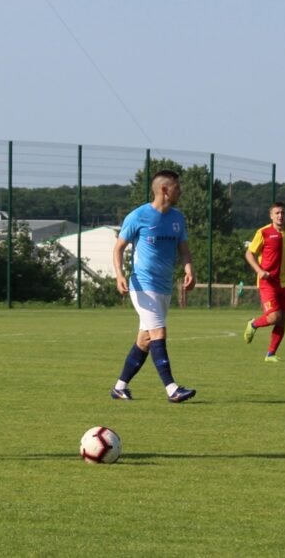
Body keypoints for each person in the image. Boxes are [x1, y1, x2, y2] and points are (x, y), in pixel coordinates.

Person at [109, 170, 197, 403]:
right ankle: (172, 389)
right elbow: (118, 248)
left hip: (164, 287)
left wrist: (189, 270)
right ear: (165, 190)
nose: (181, 191)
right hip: (142, 285)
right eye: (177, 187)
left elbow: (184, 250)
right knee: (159, 333)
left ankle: (119, 388)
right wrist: (119, 275)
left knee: (145, 340)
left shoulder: (177, 218)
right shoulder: (138, 216)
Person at [242, 201, 285, 362]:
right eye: (277, 213)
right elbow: (249, 254)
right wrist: (259, 271)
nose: (280, 215)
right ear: (271, 216)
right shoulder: (263, 232)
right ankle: (253, 324)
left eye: (282, 212)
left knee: (282, 320)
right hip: (268, 282)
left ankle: (270, 354)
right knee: (274, 317)